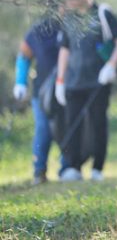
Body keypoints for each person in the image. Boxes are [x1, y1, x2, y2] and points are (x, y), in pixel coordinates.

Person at [55, 0, 117, 182]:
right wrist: (60, 80)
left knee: (98, 124)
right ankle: (74, 168)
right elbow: (64, 50)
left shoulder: (102, 13)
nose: (68, 0)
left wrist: (111, 65)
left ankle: (98, 168)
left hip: (98, 81)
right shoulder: (68, 19)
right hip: (73, 82)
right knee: (72, 124)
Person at [13, 12, 69, 185]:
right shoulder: (38, 30)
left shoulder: (76, 27)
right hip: (42, 91)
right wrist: (20, 82)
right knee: (43, 129)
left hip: (69, 90)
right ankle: (39, 170)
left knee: (67, 129)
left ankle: (67, 170)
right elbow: (24, 56)